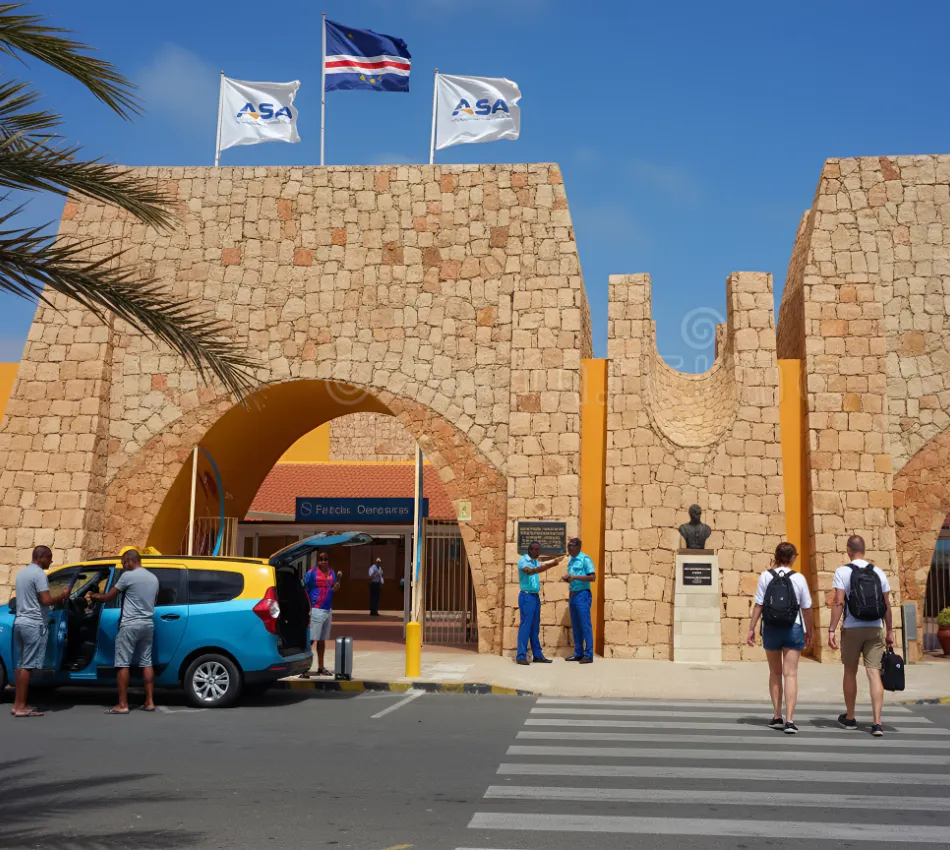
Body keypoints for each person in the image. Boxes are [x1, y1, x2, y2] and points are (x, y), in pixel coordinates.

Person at [829, 534, 893, 737]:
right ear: (863, 550)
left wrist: (831, 629)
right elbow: (886, 605)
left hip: (852, 627)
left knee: (850, 671)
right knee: (874, 673)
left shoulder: (842, 572)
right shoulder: (879, 572)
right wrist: (889, 630)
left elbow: (839, 602)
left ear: (849, 550)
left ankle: (850, 718)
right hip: (875, 628)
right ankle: (877, 723)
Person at [746, 542, 814, 734]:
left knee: (775, 673)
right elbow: (806, 608)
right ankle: (790, 720)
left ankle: (777, 716)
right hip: (794, 627)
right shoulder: (799, 578)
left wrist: (751, 629)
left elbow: (758, 605)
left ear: (775, 557)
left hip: (771, 628)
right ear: (793, 558)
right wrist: (810, 631)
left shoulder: (766, 577)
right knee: (790, 674)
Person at [88, 549, 159, 713]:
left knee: (122, 663)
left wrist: (94, 595)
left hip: (130, 625)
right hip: (148, 624)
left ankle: (123, 704)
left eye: (123, 563)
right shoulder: (153, 578)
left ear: (129, 561)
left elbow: (108, 597)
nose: (123, 566)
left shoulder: (128, 576)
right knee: (147, 662)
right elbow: (153, 600)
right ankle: (149, 702)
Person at [11, 546, 68, 718]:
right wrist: (62, 595)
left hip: (20, 622)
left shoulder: (22, 573)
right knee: (28, 666)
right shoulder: (39, 574)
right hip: (34, 624)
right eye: (49, 557)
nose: (51, 560)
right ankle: (20, 706)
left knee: (21, 664)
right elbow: (46, 600)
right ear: (41, 557)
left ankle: (18, 704)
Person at [516, 542, 561, 666]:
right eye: (536, 550)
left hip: (535, 597)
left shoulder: (535, 561)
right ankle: (521, 656)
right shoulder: (523, 560)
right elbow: (529, 572)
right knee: (525, 627)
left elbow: (542, 565)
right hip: (526, 597)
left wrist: (552, 563)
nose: (538, 552)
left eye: (539, 550)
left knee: (535, 628)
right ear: (530, 550)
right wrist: (549, 565)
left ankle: (538, 655)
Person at [304, 550, 340, 677]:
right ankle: (303, 668)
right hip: (316, 609)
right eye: (321, 559)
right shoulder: (311, 573)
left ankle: (321, 667)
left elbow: (333, 588)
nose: (323, 561)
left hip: (327, 609)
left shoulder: (332, 573)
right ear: (317, 561)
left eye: (325, 559)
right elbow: (305, 589)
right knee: (311, 639)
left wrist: (336, 588)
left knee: (322, 639)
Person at [561, 538, 596, 663]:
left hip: (582, 595)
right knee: (576, 625)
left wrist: (574, 576)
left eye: (571, 546)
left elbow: (592, 577)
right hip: (573, 595)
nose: (569, 548)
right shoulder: (571, 561)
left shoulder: (585, 559)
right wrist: (567, 578)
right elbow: (573, 578)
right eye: (568, 546)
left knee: (585, 625)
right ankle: (578, 653)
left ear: (578, 547)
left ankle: (589, 654)